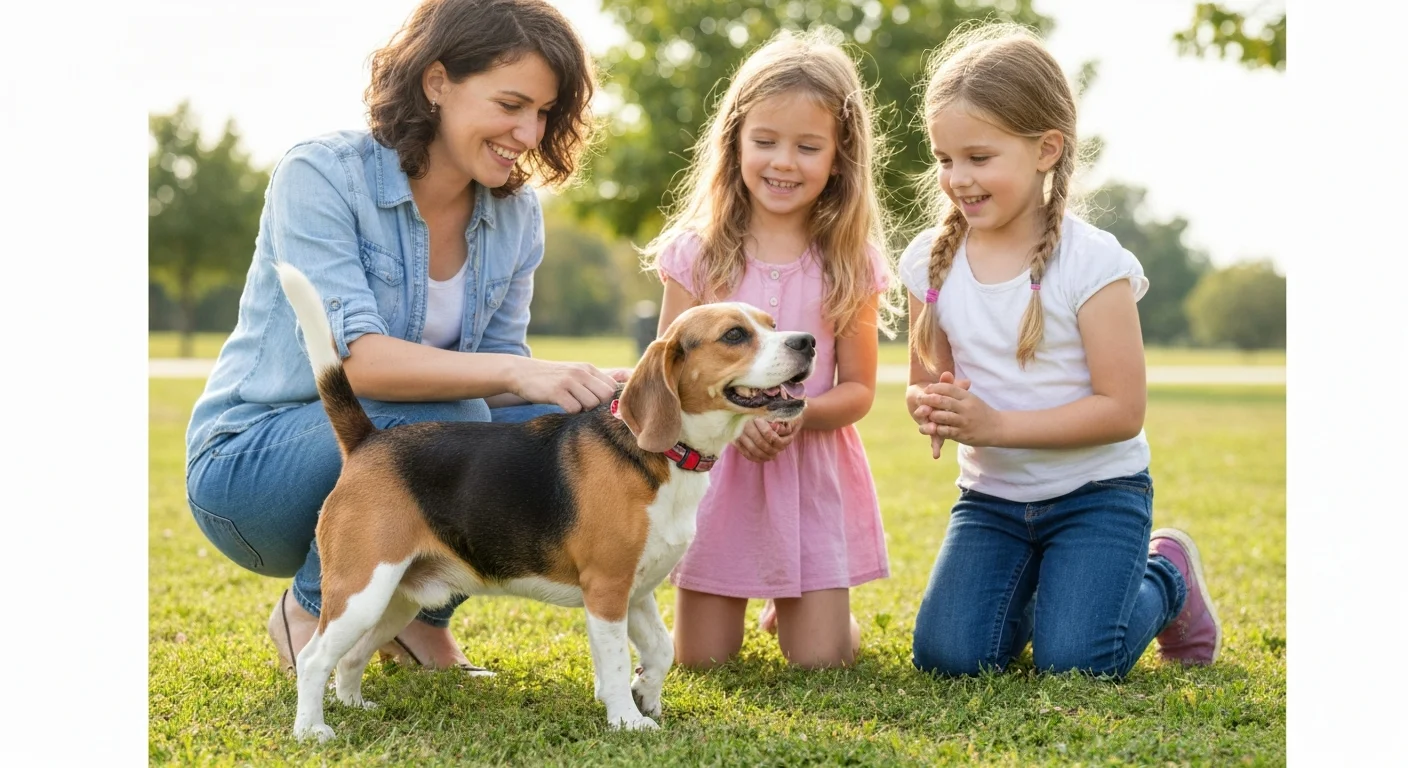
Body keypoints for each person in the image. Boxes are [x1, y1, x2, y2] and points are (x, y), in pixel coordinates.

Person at [184, 0, 621, 674]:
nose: (529, 131)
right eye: (511, 104)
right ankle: (309, 609)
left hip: (386, 458)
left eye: (544, 112)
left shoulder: (516, 216)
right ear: (437, 81)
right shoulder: (322, 175)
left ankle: (414, 615)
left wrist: (595, 394)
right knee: (450, 415)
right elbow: (361, 368)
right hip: (251, 468)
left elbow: (508, 390)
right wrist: (514, 373)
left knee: (562, 427)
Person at [900, 22, 1221, 678]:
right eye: (944, 159)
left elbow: (1122, 410)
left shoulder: (1094, 263)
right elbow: (927, 379)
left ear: (1046, 149)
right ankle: (1051, 594)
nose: (957, 178)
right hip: (992, 500)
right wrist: (933, 408)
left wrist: (997, 426)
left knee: (1077, 663)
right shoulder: (928, 263)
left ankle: (1167, 575)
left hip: (1097, 494)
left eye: (979, 158)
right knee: (947, 657)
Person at [641, 30, 898, 669]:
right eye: (765, 142)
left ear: (840, 157)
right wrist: (738, 417)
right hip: (715, 474)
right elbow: (670, 375)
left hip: (806, 471)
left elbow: (859, 389)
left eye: (808, 147)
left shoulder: (850, 263)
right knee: (701, 661)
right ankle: (755, 590)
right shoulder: (695, 253)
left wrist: (791, 414)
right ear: (735, 142)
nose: (784, 162)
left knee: (822, 662)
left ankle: (808, 603)